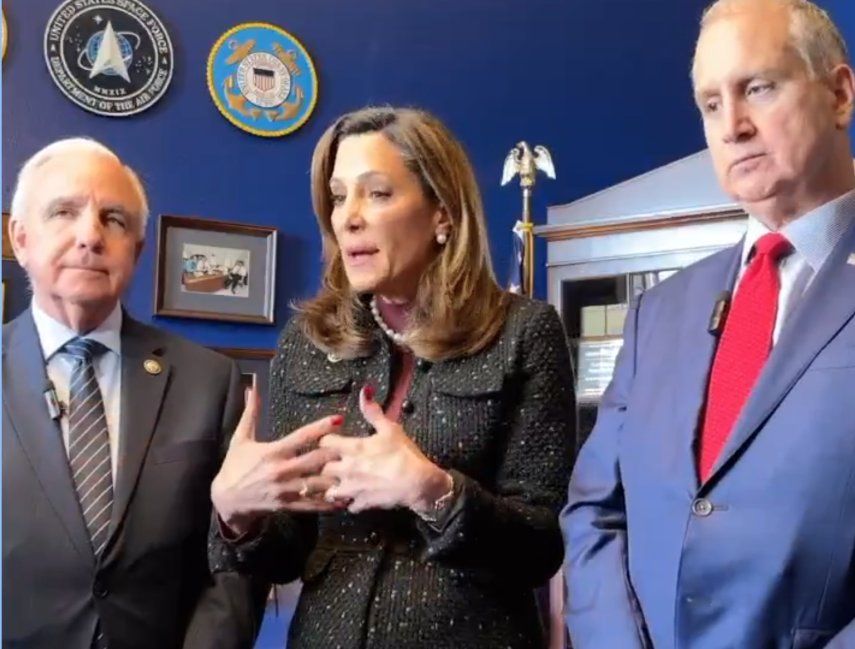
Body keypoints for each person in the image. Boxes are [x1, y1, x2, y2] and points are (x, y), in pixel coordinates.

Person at [208, 106, 576, 648]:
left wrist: (436, 493)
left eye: (377, 193)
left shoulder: (523, 333)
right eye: (338, 197)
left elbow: (543, 546)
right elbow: (285, 553)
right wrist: (238, 515)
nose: (348, 217)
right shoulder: (308, 340)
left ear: (442, 214)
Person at [561, 1, 855, 647]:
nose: (733, 126)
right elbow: (593, 511)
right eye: (710, 103)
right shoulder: (657, 314)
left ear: (838, 94)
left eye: (758, 87)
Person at [2, 138, 267, 648]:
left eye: (115, 220)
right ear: (21, 238)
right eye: (63, 212)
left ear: (137, 250)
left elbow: (232, 565)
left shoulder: (208, 382)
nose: (90, 237)